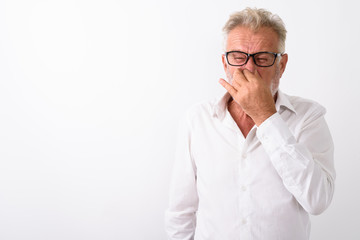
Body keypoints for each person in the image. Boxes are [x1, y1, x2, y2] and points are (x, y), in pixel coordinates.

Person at [165, 7, 335, 240]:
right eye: (238, 57)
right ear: (225, 64)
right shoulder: (197, 119)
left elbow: (318, 200)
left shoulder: (308, 116)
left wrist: (266, 116)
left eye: (262, 59)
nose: (249, 68)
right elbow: (180, 212)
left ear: (281, 66)